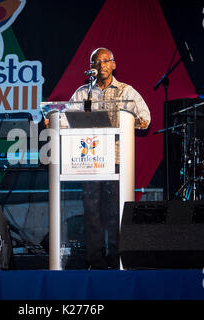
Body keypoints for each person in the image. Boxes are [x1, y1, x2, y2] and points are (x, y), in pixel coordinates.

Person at [68, 47, 151, 269]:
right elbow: (67, 118)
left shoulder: (126, 92)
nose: (102, 65)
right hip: (90, 160)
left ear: (114, 64)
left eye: (106, 61)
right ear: (91, 67)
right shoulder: (83, 93)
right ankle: (95, 260)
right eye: (97, 61)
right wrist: (53, 121)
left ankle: (116, 260)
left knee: (115, 213)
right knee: (92, 212)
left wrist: (124, 125)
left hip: (117, 160)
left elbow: (145, 118)